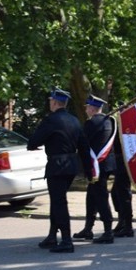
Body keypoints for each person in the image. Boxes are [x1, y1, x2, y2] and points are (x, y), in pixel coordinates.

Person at [27, 88, 91, 253]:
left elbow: (34, 141)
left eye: (51, 101)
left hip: (57, 166)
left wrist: (33, 145)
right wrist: (89, 170)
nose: (50, 103)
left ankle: (66, 240)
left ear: (55, 102)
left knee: (59, 202)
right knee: (57, 200)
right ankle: (51, 236)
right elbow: (84, 147)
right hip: (71, 165)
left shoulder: (51, 120)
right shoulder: (74, 120)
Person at [74, 95, 117, 244]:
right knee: (91, 197)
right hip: (106, 164)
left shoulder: (91, 123)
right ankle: (88, 228)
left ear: (92, 108)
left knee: (101, 197)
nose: (86, 110)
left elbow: (83, 143)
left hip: (96, 166)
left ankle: (108, 231)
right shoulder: (109, 121)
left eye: (87, 107)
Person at [111, 123, 134, 237]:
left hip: (124, 163)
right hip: (119, 162)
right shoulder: (118, 124)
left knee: (124, 195)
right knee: (115, 193)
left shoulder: (128, 126)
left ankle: (128, 226)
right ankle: (122, 221)